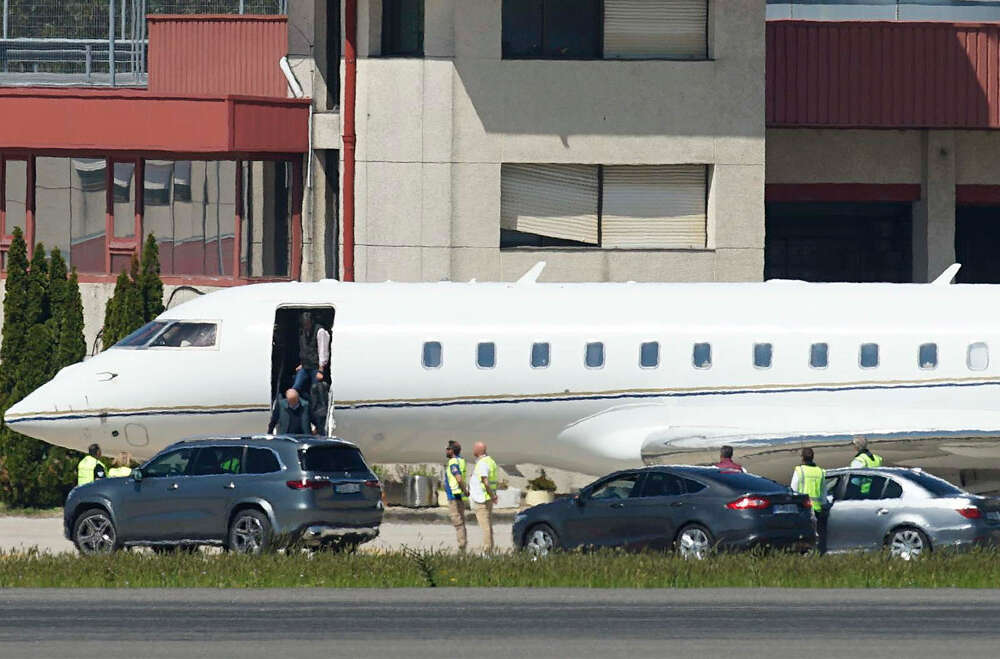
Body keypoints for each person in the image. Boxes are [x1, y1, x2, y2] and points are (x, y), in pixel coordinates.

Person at [791, 447, 827, 554]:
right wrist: (824, 506)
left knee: (803, 536)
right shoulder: (820, 472)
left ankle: (805, 555)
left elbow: (794, 489)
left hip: (803, 508)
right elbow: (824, 492)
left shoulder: (800, 471)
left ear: (802, 458)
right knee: (817, 536)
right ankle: (818, 554)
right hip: (817, 509)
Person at [469, 441, 499, 553]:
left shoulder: (482, 463)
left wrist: (493, 496)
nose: (473, 450)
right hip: (487, 498)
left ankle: (487, 551)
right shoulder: (491, 461)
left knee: (485, 526)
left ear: (478, 451)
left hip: (481, 499)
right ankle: (489, 548)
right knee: (488, 525)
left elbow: (485, 482)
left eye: (474, 449)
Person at [292, 312, 331, 397]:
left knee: (315, 390)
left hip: (316, 367)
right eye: (304, 324)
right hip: (305, 366)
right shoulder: (302, 331)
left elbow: (323, 350)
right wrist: (302, 364)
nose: (306, 326)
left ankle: (314, 408)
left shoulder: (320, 331)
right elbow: (305, 348)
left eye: (307, 324)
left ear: (311, 322)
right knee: (295, 387)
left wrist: (321, 370)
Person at [444, 441, 469, 552]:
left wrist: (465, 490)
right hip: (459, 496)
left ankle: (461, 546)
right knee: (461, 522)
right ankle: (463, 544)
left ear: (452, 450)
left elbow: (458, 478)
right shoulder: (461, 461)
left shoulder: (453, 462)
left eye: (447, 449)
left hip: (454, 496)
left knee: (457, 522)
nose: (446, 451)